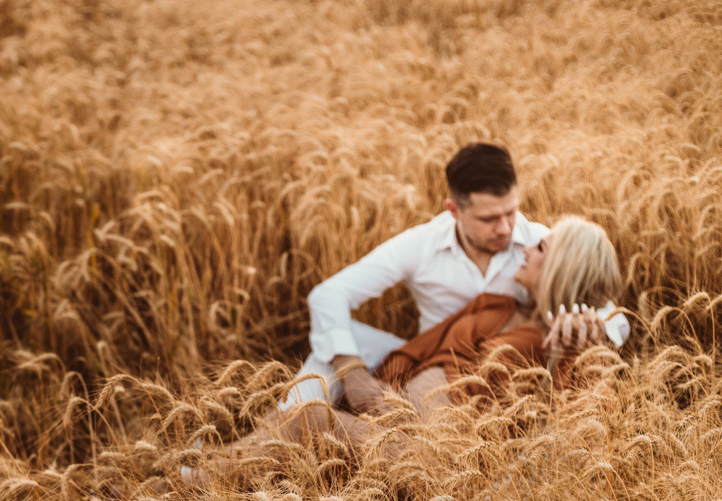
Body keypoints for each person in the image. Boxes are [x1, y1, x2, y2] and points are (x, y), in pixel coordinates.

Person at [206, 216, 622, 466]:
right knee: (300, 410)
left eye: (542, 246)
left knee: (305, 419)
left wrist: (597, 331)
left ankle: (192, 480)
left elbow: (474, 429)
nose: (526, 245)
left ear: (563, 270)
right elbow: (329, 295)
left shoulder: (558, 343)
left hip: (428, 455)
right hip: (400, 418)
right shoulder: (499, 305)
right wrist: (365, 384)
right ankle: (200, 471)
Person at [285, 142, 628, 414]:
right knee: (337, 349)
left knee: (318, 418)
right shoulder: (421, 244)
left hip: (487, 378)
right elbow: (328, 294)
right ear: (454, 211)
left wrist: (592, 324)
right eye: (489, 218)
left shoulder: (539, 244)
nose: (506, 228)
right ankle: (281, 430)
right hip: (426, 359)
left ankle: (290, 434)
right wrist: (354, 374)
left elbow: (599, 301)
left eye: (511, 211)